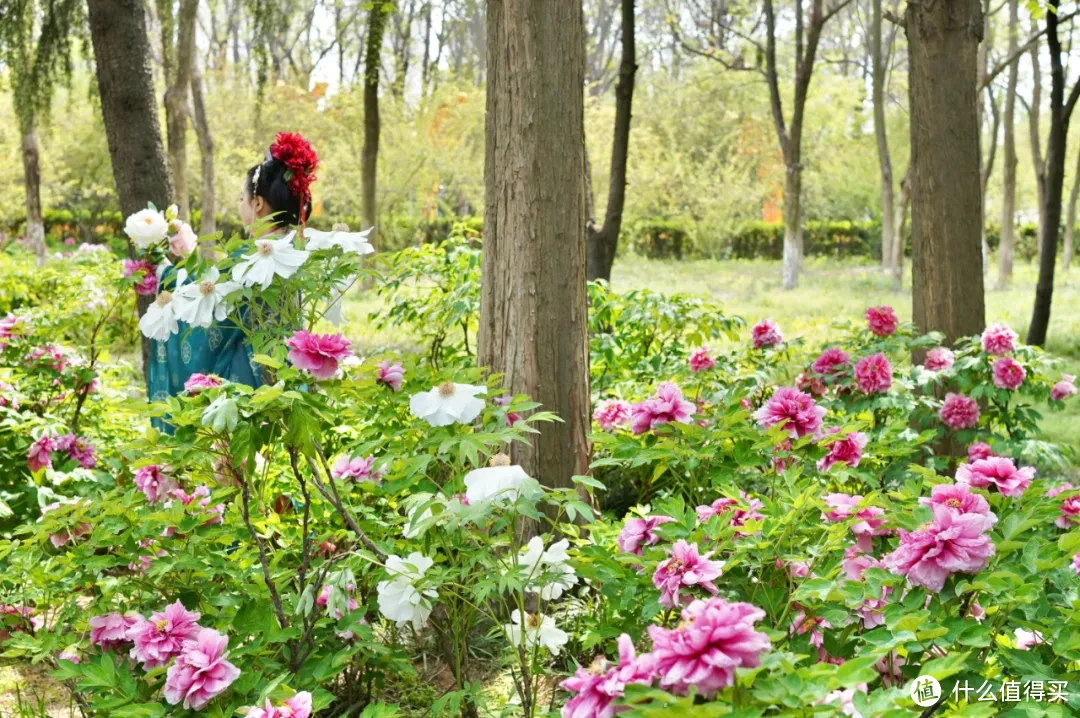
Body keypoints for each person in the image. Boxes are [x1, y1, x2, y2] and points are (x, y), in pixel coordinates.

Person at [148, 133, 318, 429]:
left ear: (258, 205)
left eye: (242, 198)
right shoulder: (295, 250)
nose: (240, 205)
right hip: (283, 379)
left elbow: (208, 300)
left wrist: (168, 270)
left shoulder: (256, 257)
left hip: (248, 384)